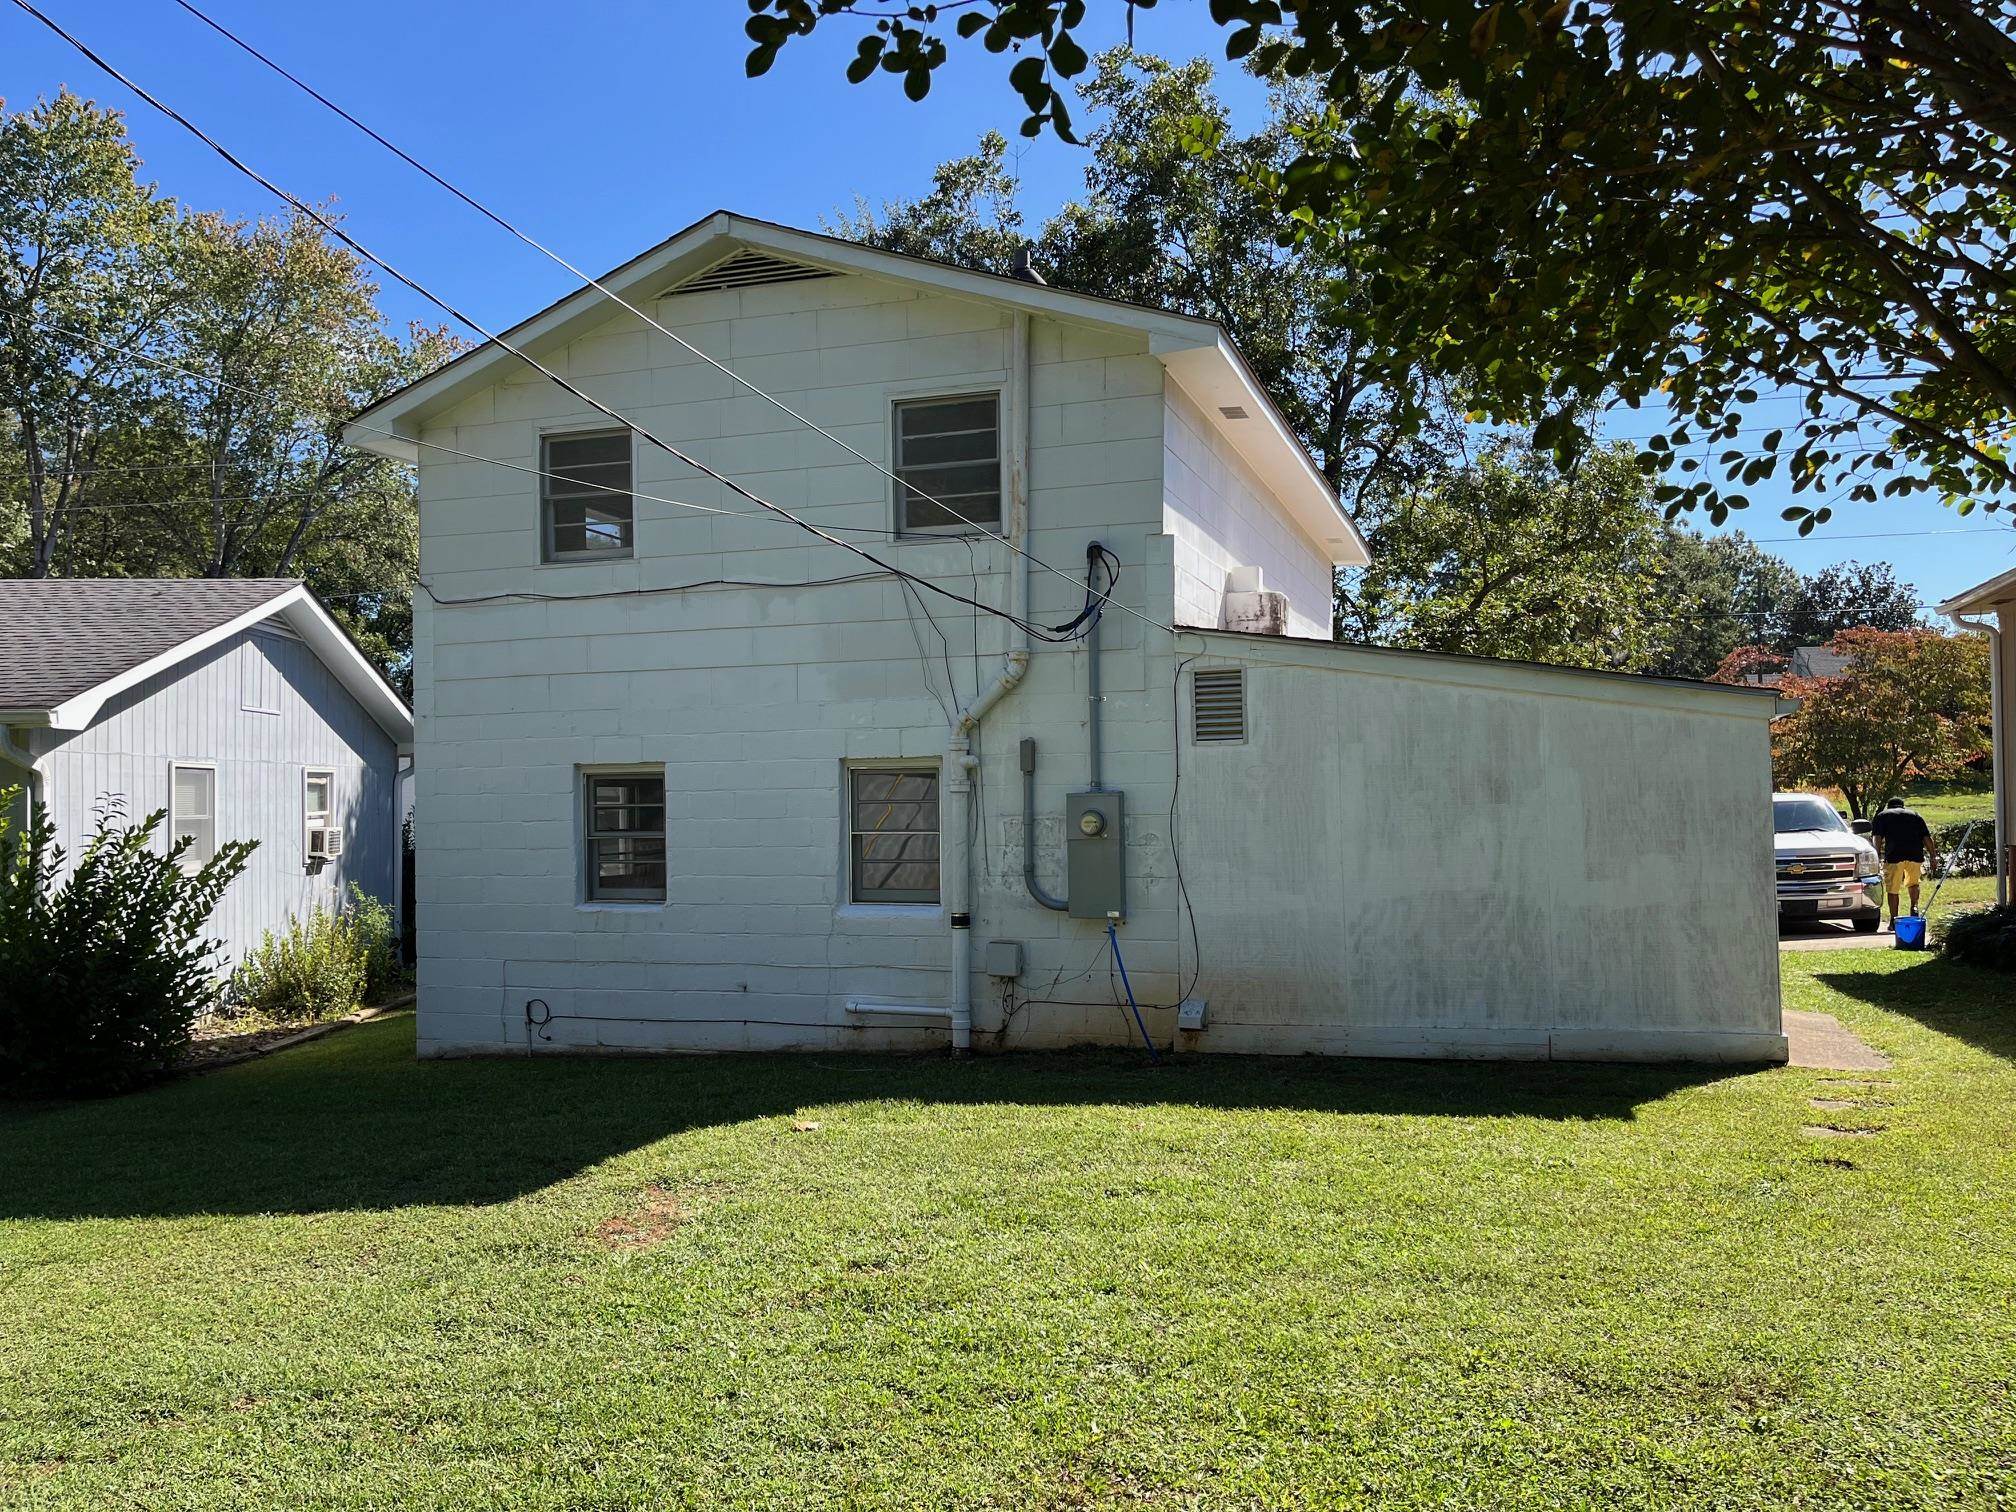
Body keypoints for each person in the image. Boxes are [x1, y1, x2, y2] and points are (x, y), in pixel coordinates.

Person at [1870, 796, 1936, 929]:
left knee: (1893, 889)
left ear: (1889, 806)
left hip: (1894, 856)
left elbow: (1877, 837)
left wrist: (1875, 855)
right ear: (1902, 806)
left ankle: (1894, 921)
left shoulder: (1882, 816)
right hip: (1915, 855)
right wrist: (1933, 856)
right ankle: (1914, 907)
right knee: (1913, 883)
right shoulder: (1915, 815)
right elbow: (1926, 838)